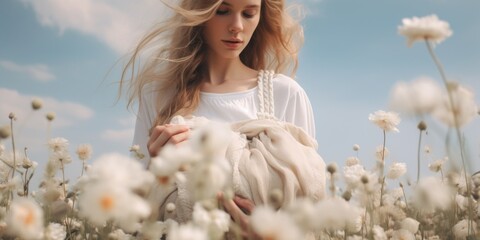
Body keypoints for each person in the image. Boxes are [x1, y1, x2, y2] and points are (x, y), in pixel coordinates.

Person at [120, 0, 325, 236]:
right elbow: (135, 212)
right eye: (222, 11)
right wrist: (159, 168)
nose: (236, 26)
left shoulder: (285, 94)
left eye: (249, 13)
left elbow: (310, 203)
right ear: (199, 12)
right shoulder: (159, 95)